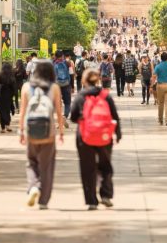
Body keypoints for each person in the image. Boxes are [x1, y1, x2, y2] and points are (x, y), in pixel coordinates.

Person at [70, 68, 122, 210]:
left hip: (85, 135)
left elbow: (73, 117)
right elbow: (114, 116)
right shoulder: (105, 96)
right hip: (105, 135)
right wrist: (118, 133)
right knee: (105, 166)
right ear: (98, 79)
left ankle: (92, 201)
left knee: (88, 168)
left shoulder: (81, 96)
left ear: (84, 80)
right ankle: (105, 194)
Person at [19, 59, 64, 210]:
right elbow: (59, 112)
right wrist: (61, 132)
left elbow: (23, 112)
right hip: (48, 132)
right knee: (47, 166)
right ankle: (43, 200)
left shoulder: (26, 87)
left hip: (31, 131)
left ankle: (33, 187)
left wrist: (21, 132)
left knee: (32, 162)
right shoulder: (54, 88)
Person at [0, 62, 17, 133]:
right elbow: (14, 88)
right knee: (7, 111)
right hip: (8, 96)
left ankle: (3, 128)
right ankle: (7, 124)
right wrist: (13, 95)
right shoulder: (12, 76)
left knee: (1, 112)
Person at [53, 50, 72, 120]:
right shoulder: (67, 63)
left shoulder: (53, 63)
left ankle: (59, 116)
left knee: (57, 101)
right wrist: (72, 86)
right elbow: (71, 74)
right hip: (66, 84)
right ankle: (65, 116)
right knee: (67, 102)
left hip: (56, 85)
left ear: (55, 56)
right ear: (62, 56)